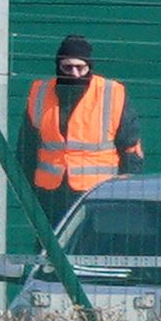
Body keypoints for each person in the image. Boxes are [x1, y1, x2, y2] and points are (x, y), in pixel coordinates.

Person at [22, 34, 137, 232]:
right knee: (50, 248)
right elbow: (26, 146)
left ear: (89, 67)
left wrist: (128, 190)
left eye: (80, 67)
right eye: (68, 67)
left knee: (93, 247)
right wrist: (28, 190)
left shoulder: (112, 93)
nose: (74, 74)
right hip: (51, 194)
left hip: (99, 193)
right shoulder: (39, 92)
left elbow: (131, 148)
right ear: (58, 66)